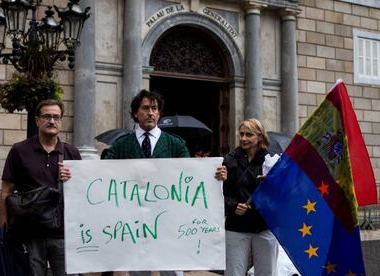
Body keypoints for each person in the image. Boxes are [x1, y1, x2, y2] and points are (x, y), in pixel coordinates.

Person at [103, 89, 227, 276]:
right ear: (136, 113)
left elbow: (191, 176)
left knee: (169, 270)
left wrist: (215, 175)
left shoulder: (175, 144)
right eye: (145, 108)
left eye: (154, 108)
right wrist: (75, 176)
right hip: (133, 223)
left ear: (159, 113)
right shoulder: (121, 145)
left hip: (168, 222)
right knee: (137, 270)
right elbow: (103, 173)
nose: (150, 112)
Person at [0, 99, 82, 276]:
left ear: (61, 121)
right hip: (30, 234)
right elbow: (6, 190)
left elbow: (81, 192)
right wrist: (3, 227)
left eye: (56, 117)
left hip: (62, 234)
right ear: (37, 120)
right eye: (46, 116)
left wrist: (73, 179)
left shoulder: (71, 152)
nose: (51, 121)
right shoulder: (19, 150)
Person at [222, 118, 279, 276]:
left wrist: (271, 183)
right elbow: (221, 193)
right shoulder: (229, 160)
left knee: (267, 272)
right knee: (234, 272)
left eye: (249, 134)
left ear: (260, 137)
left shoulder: (272, 162)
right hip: (236, 227)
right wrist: (234, 206)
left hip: (265, 226)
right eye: (241, 134)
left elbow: (281, 196)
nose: (243, 138)